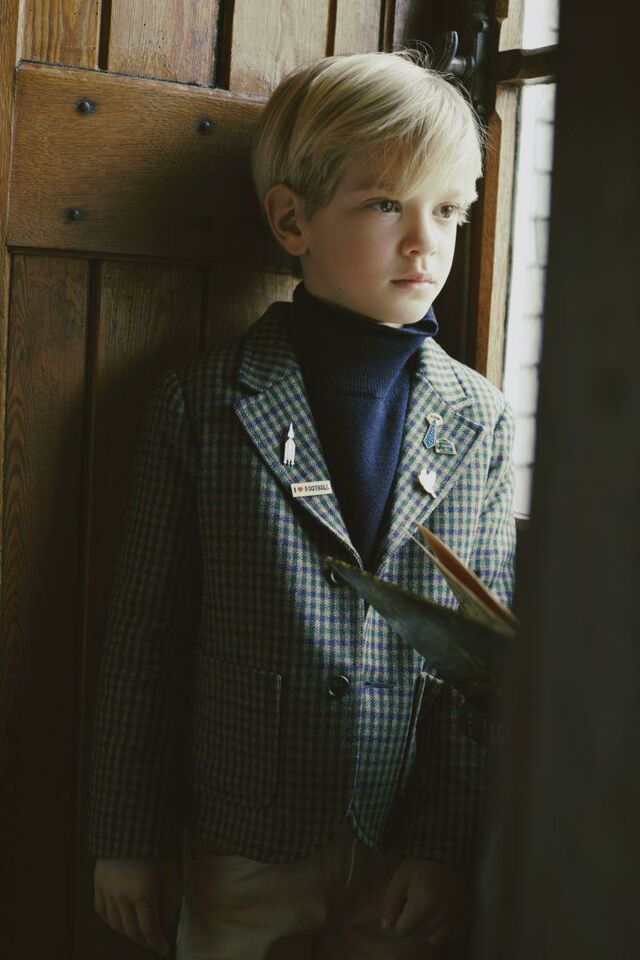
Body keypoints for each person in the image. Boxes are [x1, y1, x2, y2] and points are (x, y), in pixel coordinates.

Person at [87, 49, 516, 959]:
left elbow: (479, 672)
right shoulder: (204, 403)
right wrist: (126, 838)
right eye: (385, 205)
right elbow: (142, 638)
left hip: (401, 850)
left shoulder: (478, 418)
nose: (425, 243)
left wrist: (443, 845)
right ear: (291, 219)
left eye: (448, 211)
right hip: (241, 841)